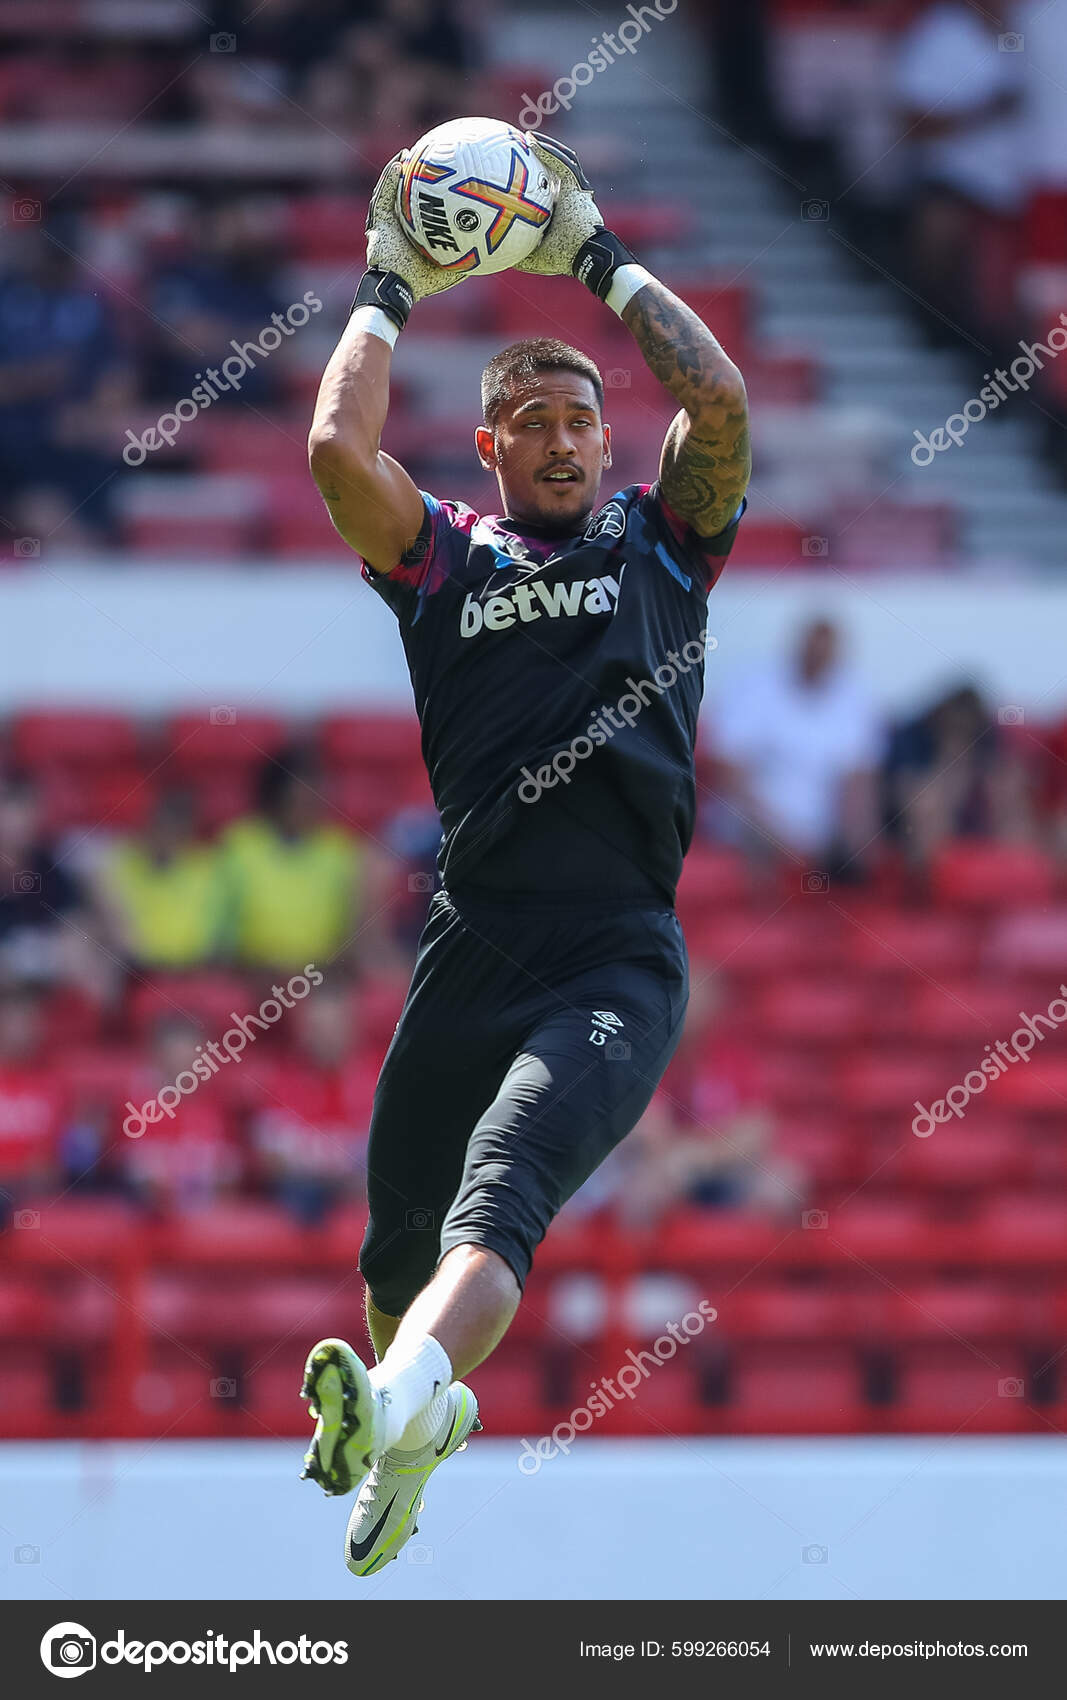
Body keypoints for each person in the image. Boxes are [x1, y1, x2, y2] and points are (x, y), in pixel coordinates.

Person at [300, 134, 750, 1575]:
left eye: (581, 421)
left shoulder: (661, 547)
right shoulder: (444, 563)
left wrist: (598, 256)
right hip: (470, 945)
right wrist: (387, 282)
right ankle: (413, 1417)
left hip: (611, 955)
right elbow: (328, 452)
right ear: (488, 448)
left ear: (604, 441)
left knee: (495, 1207)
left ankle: (392, 1402)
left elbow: (721, 404)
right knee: (393, 1262)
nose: (564, 440)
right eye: (534, 425)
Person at [708, 617, 882, 872]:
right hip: (755, 821)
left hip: (820, 832)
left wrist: (856, 831)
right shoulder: (754, 688)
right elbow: (730, 772)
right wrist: (773, 828)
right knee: (757, 836)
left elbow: (859, 780)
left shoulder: (854, 702)